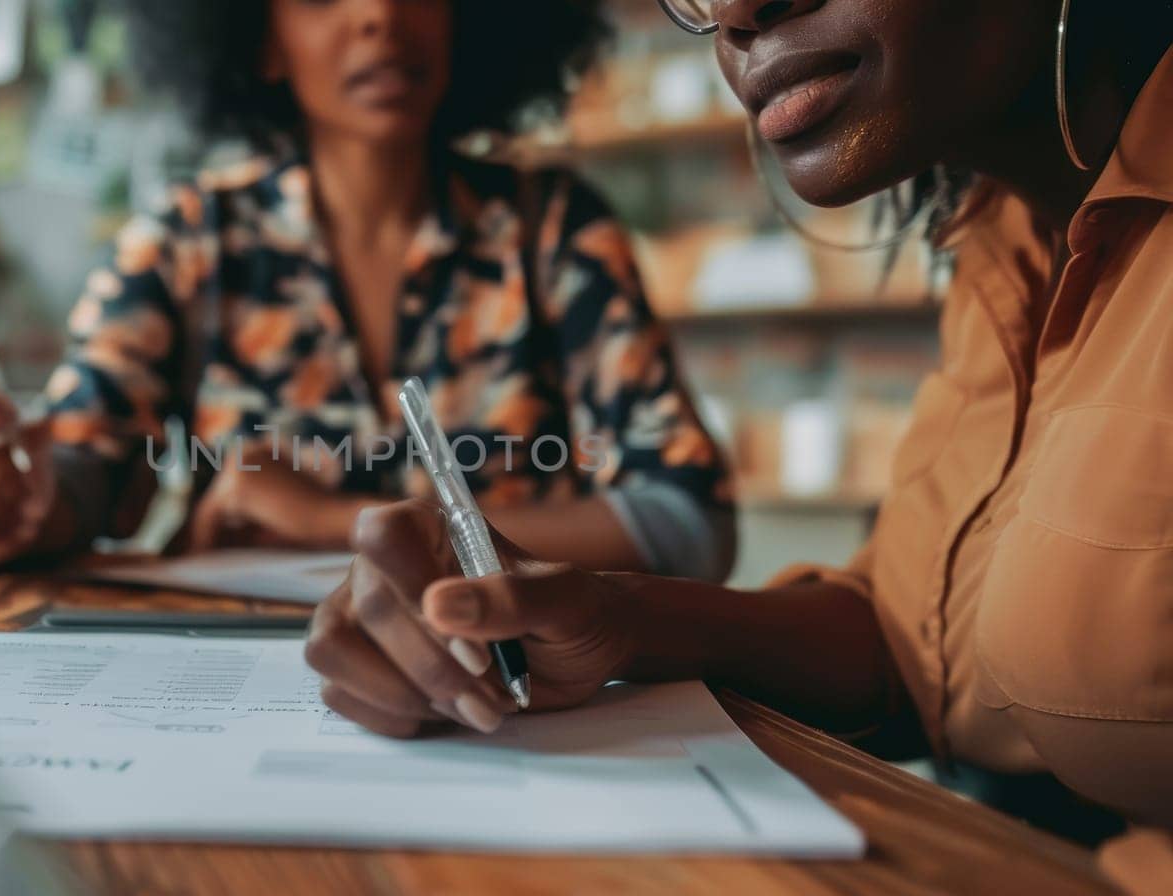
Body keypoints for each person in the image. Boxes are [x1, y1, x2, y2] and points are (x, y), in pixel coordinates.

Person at [305, 0, 1173, 882]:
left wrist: (307, 515)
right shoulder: (1006, 238)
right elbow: (913, 646)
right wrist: (610, 621)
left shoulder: (552, 228)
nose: (735, 10)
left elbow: (680, 507)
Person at [0, 0, 735, 579]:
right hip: (236, 693)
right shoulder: (191, 242)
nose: (379, 15)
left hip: (516, 695)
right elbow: (84, 471)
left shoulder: (552, 231)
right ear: (259, 36)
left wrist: (328, 522)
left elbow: (689, 527)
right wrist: (9, 497)